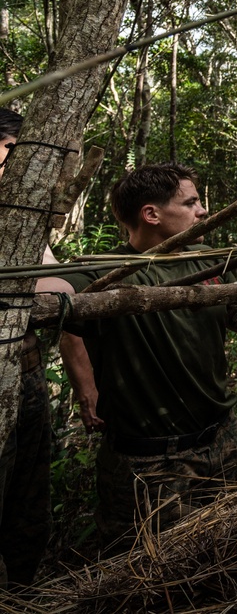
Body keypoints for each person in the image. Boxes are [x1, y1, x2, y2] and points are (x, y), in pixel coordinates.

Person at [45, 163, 237, 550]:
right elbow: (46, 290)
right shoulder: (105, 273)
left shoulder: (207, 259)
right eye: (191, 202)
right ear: (151, 214)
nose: (203, 211)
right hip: (152, 463)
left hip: (222, 440)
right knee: (150, 573)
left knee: (230, 550)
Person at [0, 108, 55, 587]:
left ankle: (22, 593)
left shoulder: (20, 216)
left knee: (26, 503)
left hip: (28, 375)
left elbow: (60, 288)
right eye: (11, 153)